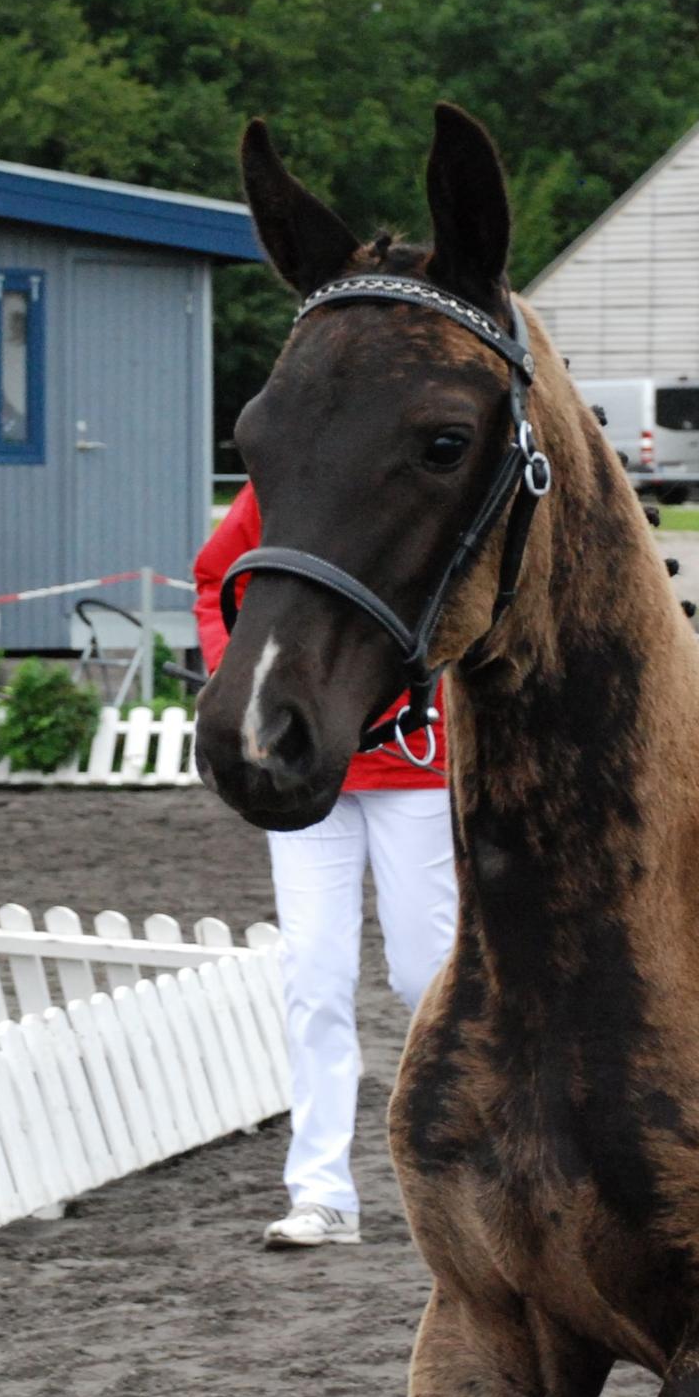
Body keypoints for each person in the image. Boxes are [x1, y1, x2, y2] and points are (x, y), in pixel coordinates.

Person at [194, 482, 457, 1250]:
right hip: (305, 765)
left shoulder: (410, 469)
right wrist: (242, 680)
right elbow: (216, 577)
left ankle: (462, 1173)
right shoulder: (283, 478)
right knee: (314, 976)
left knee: (426, 974)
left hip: (415, 760)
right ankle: (321, 1191)